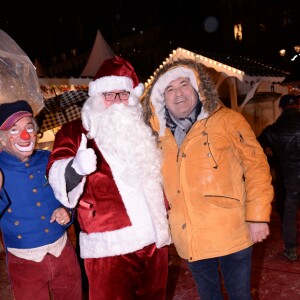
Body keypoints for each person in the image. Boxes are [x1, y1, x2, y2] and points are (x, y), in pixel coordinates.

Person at [141, 58, 274, 300]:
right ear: (161, 99)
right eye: (169, 89)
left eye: (184, 85)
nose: (178, 94)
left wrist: (257, 216)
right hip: (190, 236)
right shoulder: (158, 136)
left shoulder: (227, 120)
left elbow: (256, 167)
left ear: (197, 88)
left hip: (232, 231)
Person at [46, 55, 172, 300]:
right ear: (96, 98)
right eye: (109, 95)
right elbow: (55, 173)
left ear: (132, 98)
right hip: (110, 250)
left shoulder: (142, 129)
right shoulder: (74, 132)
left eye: (123, 94)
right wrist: (76, 168)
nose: (117, 101)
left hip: (154, 242)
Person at [0, 100, 82, 300]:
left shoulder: (50, 158)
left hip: (63, 251)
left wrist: (66, 210)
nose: (25, 135)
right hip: (24, 262)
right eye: (14, 130)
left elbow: (70, 192)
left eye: (29, 127)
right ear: (2, 139)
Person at [257, 94, 300, 261]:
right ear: (296, 106)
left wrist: (273, 158)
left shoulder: (272, 130)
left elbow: (257, 147)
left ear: (280, 109)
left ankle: (291, 250)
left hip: (288, 179)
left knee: (289, 213)